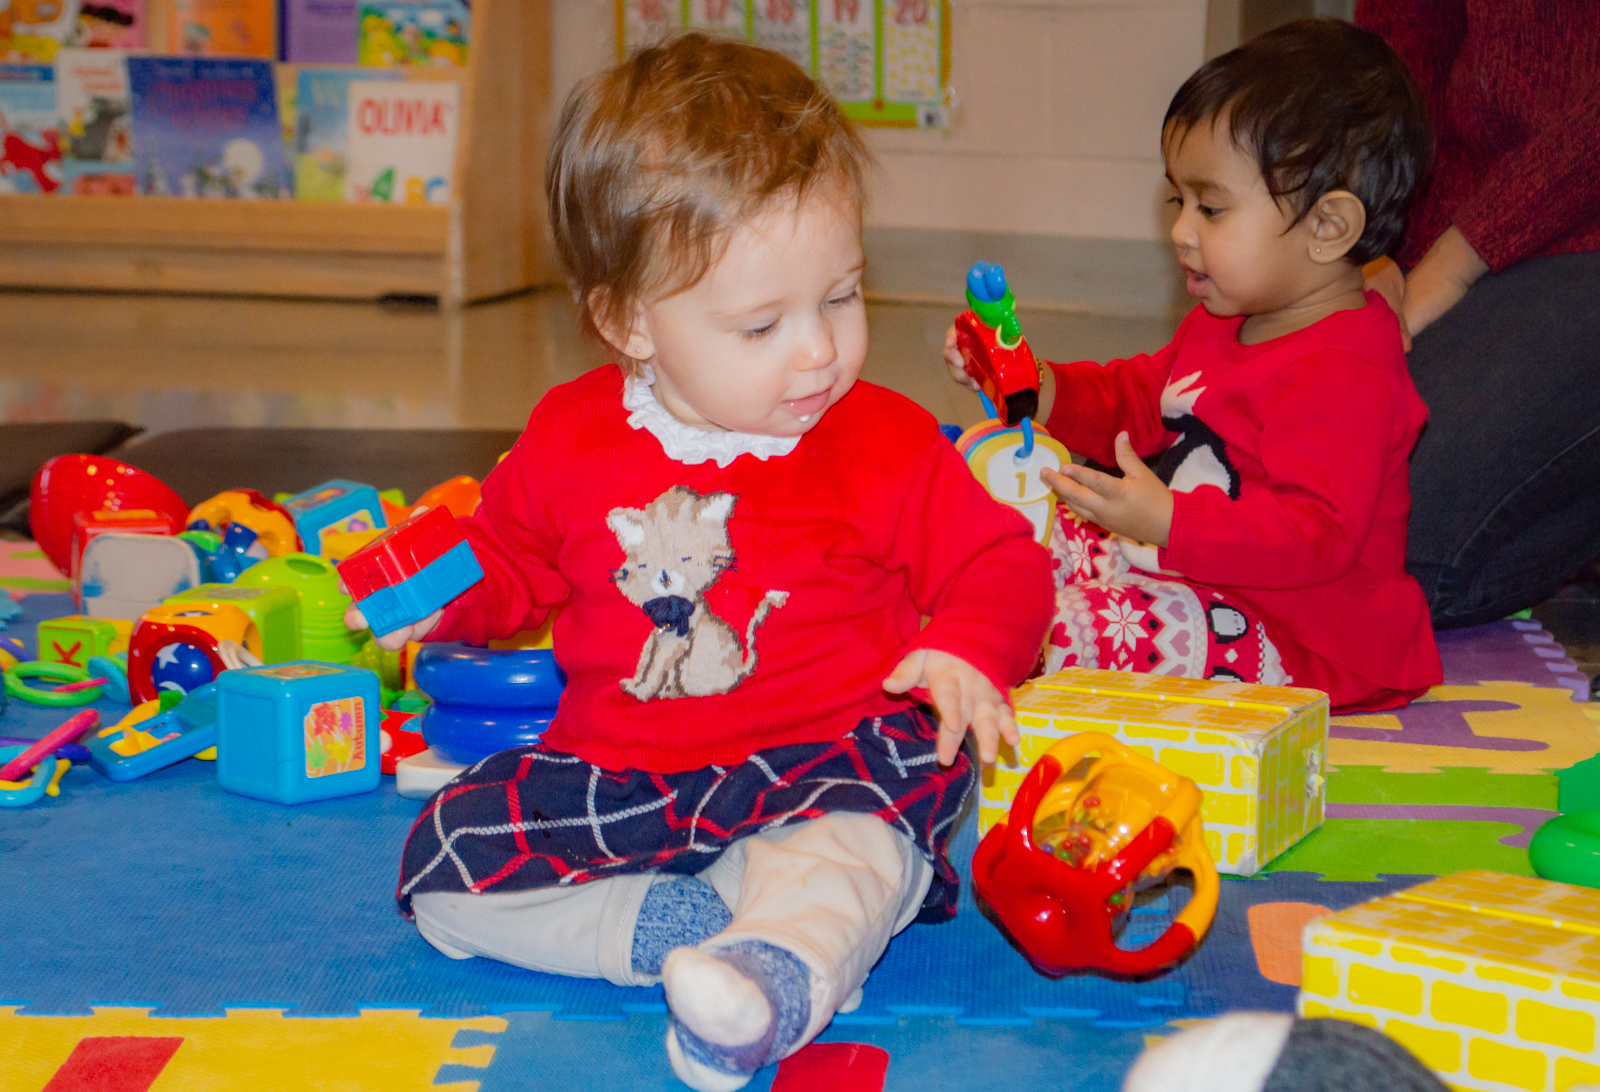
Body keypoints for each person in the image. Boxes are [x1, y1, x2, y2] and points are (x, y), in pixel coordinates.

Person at [349, 34, 1052, 1092]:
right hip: (619, 774)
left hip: (825, 762)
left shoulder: (885, 443)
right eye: (762, 323)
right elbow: (511, 561)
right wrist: (439, 598)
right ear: (628, 320)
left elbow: (1000, 561)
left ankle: (768, 984)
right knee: (442, 863)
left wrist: (962, 648)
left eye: (843, 296)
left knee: (869, 852)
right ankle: (663, 928)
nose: (817, 350)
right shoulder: (569, 435)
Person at [944, 20, 1442, 712]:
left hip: (1298, 638)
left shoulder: (1346, 371)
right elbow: (1139, 401)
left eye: (1210, 207)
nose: (1180, 229)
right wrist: (1032, 382)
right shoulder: (1223, 320)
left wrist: (1172, 522)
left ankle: (971, 658)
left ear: (1328, 228)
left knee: (1069, 628)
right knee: (1013, 534)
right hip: (1187, 572)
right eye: (1179, 200)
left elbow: (1316, 538)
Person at [1355, 1, 1600, 628]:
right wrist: (1379, 238)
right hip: (1460, 215)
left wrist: (1460, 258)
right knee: (1242, 475)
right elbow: (1405, 44)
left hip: (1565, 238)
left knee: (1389, 559)